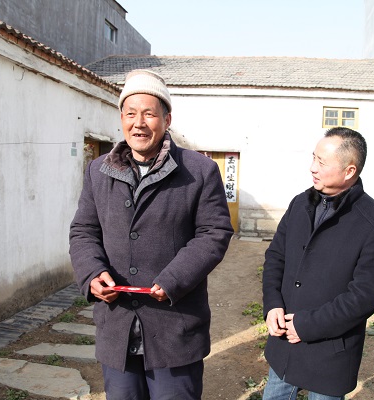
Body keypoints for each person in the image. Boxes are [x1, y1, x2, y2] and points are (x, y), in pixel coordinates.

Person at [69, 69, 233, 400]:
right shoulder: (99, 171)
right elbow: (84, 230)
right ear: (121, 118)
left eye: (149, 114)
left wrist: (174, 279)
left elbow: (214, 232)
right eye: (130, 114)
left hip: (174, 327)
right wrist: (91, 273)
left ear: (167, 119)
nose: (139, 123)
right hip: (117, 327)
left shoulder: (198, 171)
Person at [262, 127, 374, 399]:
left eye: (322, 162)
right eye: (313, 158)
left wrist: (306, 325)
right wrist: (272, 303)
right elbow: (276, 257)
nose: (312, 168)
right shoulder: (300, 204)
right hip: (283, 345)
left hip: (331, 353)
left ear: (349, 171)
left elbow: (364, 296)